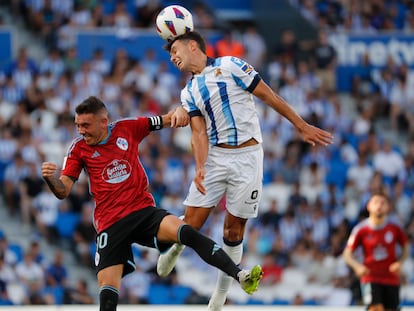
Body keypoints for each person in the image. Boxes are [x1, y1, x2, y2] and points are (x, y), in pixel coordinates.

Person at [157, 31, 334, 310]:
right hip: (216, 157)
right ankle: (177, 246)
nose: (172, 57)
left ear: (193, 46)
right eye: (170, 54)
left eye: (175, 50)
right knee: (191, 225)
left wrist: (300, 125)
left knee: (234, 228)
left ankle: (221, 292)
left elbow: (269, 96)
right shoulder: (188, 91)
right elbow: (199, 133)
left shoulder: (232, 66)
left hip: (248, 157)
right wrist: (200, 166)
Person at [41, 96, 263, 311]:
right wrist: (51, 179)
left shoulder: (128, 128)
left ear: (103, 121)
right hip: (110, 223)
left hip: (143, 211)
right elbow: (64, 190)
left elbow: (166, 119)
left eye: (85, 125)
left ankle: (240, 275)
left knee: (188, 233)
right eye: (78, 125)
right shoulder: (78, 149)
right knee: (108, 300)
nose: (81, 131)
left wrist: (179, 112)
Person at [342, 193, 409, 311]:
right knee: (375, 308)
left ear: (388, 207)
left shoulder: (394, 228)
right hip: (370, 277)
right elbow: (347, 254)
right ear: (368, 206)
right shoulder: (361, 229)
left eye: (382, 203)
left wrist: (400, 262)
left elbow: (406, 247)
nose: (379, 205)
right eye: (376, 202)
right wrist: (357, 266)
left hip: (391, 277)